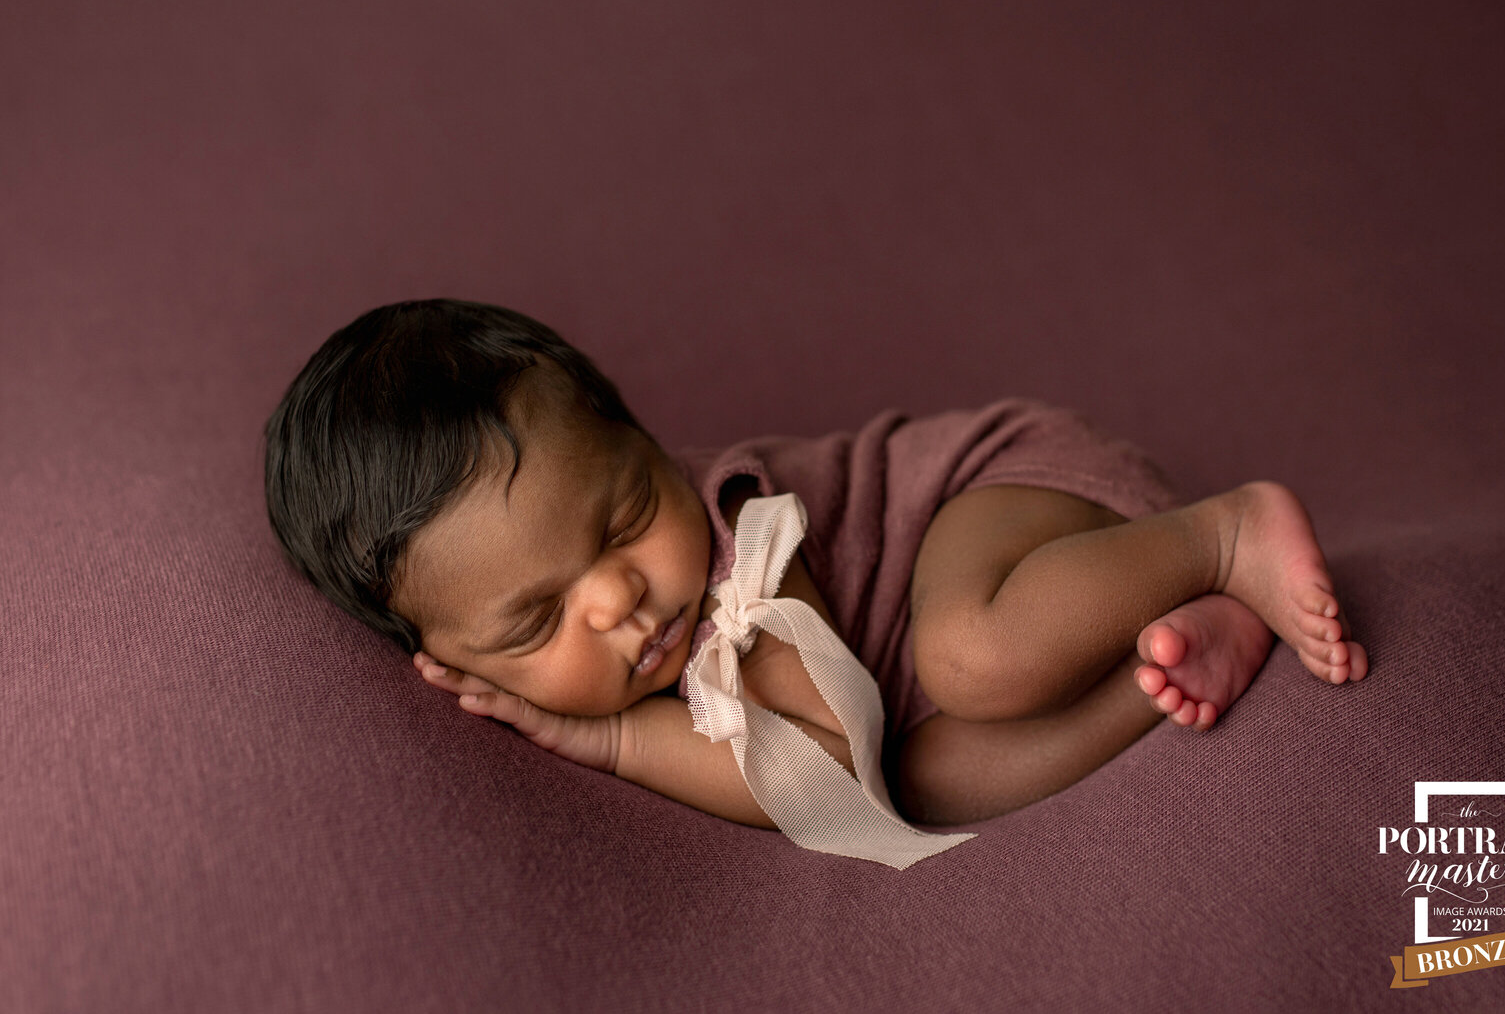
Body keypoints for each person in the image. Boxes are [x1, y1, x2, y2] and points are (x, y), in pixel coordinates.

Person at [264, 299, 1368, 862]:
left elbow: (825, 769)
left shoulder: (742, 536)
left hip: (996, 497)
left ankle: (1219, 536)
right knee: (931, 784)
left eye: (626, 517)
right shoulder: (609, 601)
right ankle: (1173, 650)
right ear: (447, 661)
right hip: (934, 665)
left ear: (648, 442)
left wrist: (611, 740)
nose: (618, 602)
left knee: (970, 660)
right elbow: (880, 789)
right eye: (537, 619)